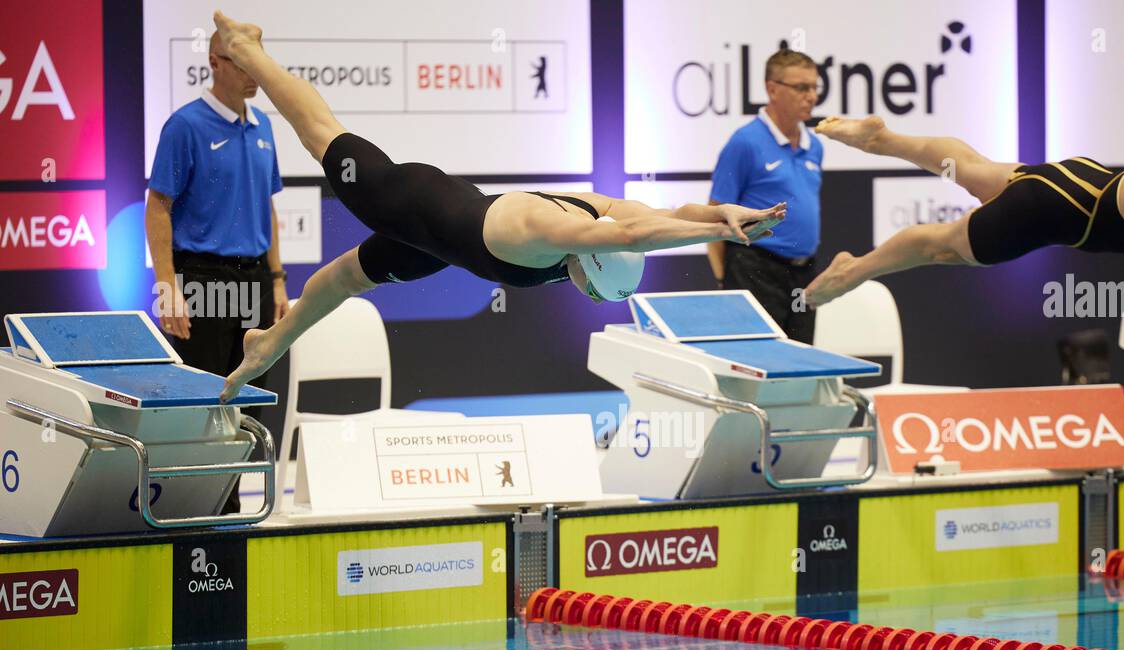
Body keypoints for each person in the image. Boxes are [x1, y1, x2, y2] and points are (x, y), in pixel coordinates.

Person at [210, 12, 785, 403]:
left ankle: (269, 341)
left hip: (445, 243)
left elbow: (651, 218)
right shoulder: (555, 230)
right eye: (593, 287)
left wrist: (719, 215)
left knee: (343, 279)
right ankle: (246, 48)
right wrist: (724, 236)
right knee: (322, 133)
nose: (583, 294)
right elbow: (636, 239)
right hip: (416, 203)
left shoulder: (603, 209)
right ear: (593, 261)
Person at [804, 115, 1124, 397]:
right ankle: (855, 269)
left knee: (972, 168)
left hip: (1074, 176)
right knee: (948, 245)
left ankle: (883, 139)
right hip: (1049, 211)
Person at [146, 28, 289, 511]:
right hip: (203, 279)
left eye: (259, 64)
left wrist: (277, 281)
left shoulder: (264, 125)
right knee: (206, 400)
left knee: (248, 399)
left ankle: (230, 503)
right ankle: (194, 508)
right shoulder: (185, 126)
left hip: (254, 282)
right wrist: (167, 285)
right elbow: (158, 206)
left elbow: (267, 209)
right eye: (245, 64)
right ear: (217, 62)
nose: (255, 76)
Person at [708, 48, 824, 342]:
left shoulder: (815, 146)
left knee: (800, 365)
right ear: (772, 89)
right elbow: (714, 215)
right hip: (755, 269)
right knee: (758, 365)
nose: (811, 96)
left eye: (814, 87)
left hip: (804, 273)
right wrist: (726, 282)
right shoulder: (745, 142)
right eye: (802, 87)